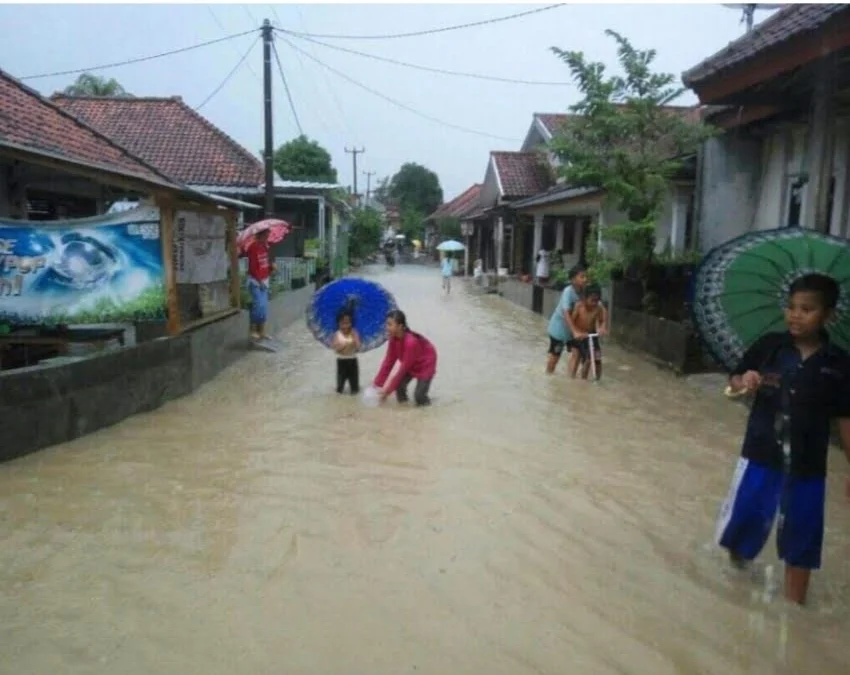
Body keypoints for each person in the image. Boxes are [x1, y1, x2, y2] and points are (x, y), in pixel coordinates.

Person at [715, 273, 850, 605]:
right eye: (791, 307)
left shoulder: (838, 365)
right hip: (760, 456)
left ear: (828, 315)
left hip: (808, 468)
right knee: (743, 529)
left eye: (807, 309)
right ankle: (736, 585)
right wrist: (742, 382)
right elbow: (731, 385)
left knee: (802, 542)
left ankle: (795, 612)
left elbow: (846, 417)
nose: (795, 315)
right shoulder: (769, 347)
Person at [373, 309, 438, 406]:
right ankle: (405, 409)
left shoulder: (411, 343)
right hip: (410, 362)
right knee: (399, 386)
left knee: (419, 396)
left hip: (426, 362)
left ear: (400, 326)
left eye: (390, 325)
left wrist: (387, 392)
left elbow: (402, 370)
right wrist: (377, 384)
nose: (387, 328)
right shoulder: (393, 339)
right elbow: (388, 362)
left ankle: (426, 412)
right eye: (386, 324)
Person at [545, 265, 588, 374]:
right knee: (555, 356)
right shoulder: (568, 291)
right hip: (559, 330)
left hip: (574, 330)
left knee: (577, 353)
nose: (585, 279)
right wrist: (574, 331)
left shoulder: (584, 292)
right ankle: (548, 375)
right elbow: (566, 313)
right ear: (573, 279)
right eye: (582, 277)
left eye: (586, 277)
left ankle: (571, 378)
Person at [242, 228, 276, 340]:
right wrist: (260, 281)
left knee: (264, 307)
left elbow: (264, 266)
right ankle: (252, 330)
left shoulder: (265, 248)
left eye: (268, 235)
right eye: (266, 235)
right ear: (260, 235)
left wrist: (271, 268)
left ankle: (262, 332)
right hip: (256, 282)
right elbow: (252, 268)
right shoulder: (253, 247)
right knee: (258, 306)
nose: (267, 238)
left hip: (264, 281)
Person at [570, 283, 609, 379]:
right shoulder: (579, 307)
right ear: (584, 299)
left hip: (591, 335)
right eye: (592, 300)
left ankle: (598, 380)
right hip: (579, 335)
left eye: (597, 300)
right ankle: (582, 381)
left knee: (597, 359)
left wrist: (602, 328)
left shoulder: (598, 307)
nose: (594, 303)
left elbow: (603, 319)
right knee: (586, 359)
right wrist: (577, 332)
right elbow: (571, 322)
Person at [333, 309, 361, 394]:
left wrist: (355, 339)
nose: (345, 326)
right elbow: (336, 349)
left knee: (355, 388)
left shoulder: (354, 333)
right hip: (341, 361)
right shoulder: (337, 334)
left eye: (347, 323)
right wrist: (344, 344)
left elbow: (358, 347)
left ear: (351, 323)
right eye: (343, 323)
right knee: (340, 388)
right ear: (338, 323)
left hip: (353, 361)